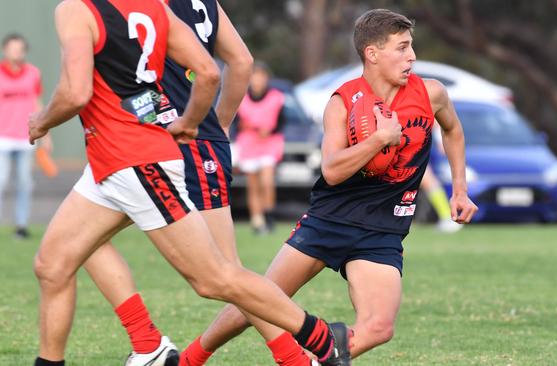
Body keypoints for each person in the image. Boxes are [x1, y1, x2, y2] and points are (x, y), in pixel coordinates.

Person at [28, 1, 348, 365]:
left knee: (215, 278)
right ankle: (142, 345)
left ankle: (322, 338)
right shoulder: (154, 8)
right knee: (52, 264)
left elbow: (74, 93)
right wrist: (192, 122)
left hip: (137, 162)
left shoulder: (76, 9)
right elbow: (209, 72)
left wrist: (41, 121)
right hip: (114, 161)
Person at [174, 8, 479, 366]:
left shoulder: (432, 93)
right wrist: (378, 140)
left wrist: (459, 187)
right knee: (254, 305)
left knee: (379, 327)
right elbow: (332, 171)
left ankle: (306, 362)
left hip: (382, 229)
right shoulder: (342, 102)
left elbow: (453, 130)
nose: (411, 56)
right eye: (402, 47)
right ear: (372, 53)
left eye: (411, 46)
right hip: (328, 221)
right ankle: (190, 359)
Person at [0, 33, 51, 239]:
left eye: (20, 48)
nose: (16, 52)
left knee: (24, 183)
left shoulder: (33, 73)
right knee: (1, 181)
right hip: (2, 136)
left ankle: (21, 226)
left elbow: (37, 102)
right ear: (5, 50)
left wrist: (45, 134)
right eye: (12, 48)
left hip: (25, 137)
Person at [235, 61, 285, 234]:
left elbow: (281, 122)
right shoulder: (241, 98)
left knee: (267, 181)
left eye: (261, 77)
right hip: (249, 144)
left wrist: (269, 130)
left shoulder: (276, 97)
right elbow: (235, 123)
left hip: (269, 144)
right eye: (254, 77)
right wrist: (246, 127)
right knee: (253, 185)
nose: (258, 81)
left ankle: (269, 215)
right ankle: (257, 221)